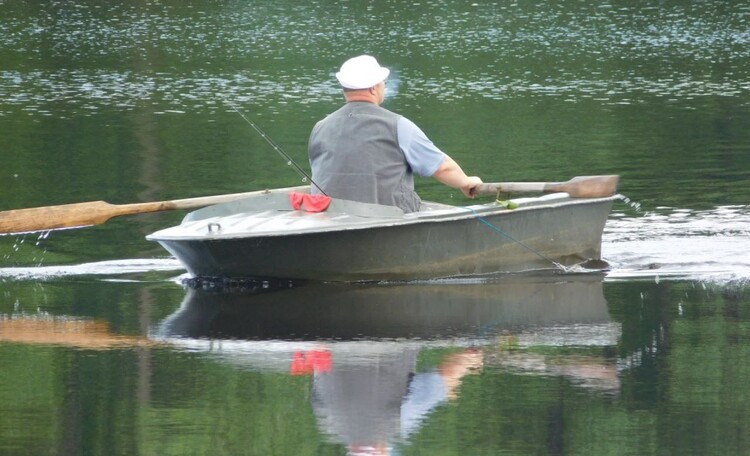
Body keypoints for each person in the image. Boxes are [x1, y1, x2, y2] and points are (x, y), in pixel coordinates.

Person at [308, 55, 483, 213]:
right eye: (383, 82)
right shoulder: (398, 125)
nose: (385, 86)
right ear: (373, 88)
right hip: (388, 217)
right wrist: (465, 182)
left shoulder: (320, 127)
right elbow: (442, 167)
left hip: (330, 217)